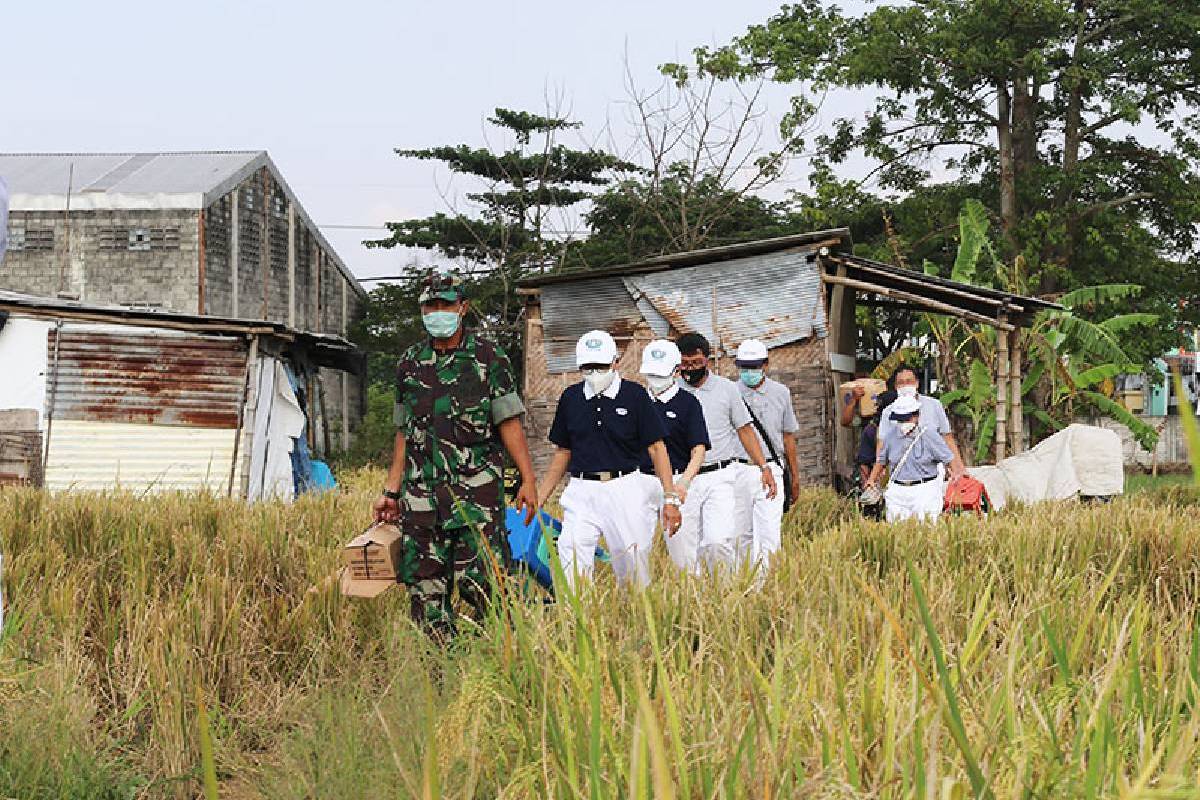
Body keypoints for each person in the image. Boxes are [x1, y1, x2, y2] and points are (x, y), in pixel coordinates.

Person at [373, 272, 539, 640]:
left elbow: (508, 422)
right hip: (421, 501)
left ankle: (498, 662)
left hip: (475, 498)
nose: (438, 312)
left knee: (483, 585)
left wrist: (528, 479)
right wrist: (391, 491)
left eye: (446, 304)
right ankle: (440, 677)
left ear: (462, 308)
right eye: (430, 306)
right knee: (425, 592)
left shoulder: (488, 358)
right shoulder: (409, 363)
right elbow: (404, 432)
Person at [537, 330, 682, 589]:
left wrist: (669, 498)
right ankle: (579, 619)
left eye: (601, 366)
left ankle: (636, 618)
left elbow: (657, 449)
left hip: (624, 488)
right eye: (588, 367)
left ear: (616, 362)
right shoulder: (571, 398)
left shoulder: (635, 396)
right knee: (571, 556)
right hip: (582, 490)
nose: (595, 373)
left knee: (633, 566)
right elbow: (563, 452)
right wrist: (539, 499)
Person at [670, 332, 777, 575]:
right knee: (685, 549)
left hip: (719, 475)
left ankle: (725, 592)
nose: (690, 369)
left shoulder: (726, 389)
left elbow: (745, 430)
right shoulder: (671, 391)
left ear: (707, 359)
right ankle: (695, 599)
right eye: (685, 364)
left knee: (717, 541)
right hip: (682, 478)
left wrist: (764, 467)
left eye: (696, 363)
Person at [732, 338, 800, 575]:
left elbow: (788, 436)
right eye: (744, 366)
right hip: (738, 470)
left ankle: (767, 584)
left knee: (770, 532)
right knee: (740, 535)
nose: (748, 372)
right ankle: (742, 583)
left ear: (766, 365)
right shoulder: (730, 392)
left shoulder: (781, 393)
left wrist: (795, 475)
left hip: (772, 469)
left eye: (754, 366)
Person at [636, 340, 709, 554]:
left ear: (677, 371)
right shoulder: (636, 400)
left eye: (661, 374)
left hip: (677, 481)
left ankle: (690, 587)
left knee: (683, 554)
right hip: (640, 481)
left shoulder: (688, 403)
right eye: (651, 374)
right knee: (636, 550)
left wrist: (684, 483)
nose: (655, 380)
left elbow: (699, 449)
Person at [866, 394, 956, 521]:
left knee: (926, 526)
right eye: (900, 420)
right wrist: (872, 479)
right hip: (898, 491)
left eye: (906, 419)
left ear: (916, 416)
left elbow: (948, 458)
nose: (903, 423)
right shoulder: (891, 436)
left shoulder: (929, 435)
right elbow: (881, 461)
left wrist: (956, 476)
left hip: (924, 490)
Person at [876, 367, 966, 479]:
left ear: (917, 383)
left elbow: (947, 438)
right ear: (895, 387)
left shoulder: (934, 405)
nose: (905, 386)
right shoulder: (888, 412)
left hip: (932, 473)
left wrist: (959, 469)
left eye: (909, 381)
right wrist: (878, 474)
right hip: (900, 474)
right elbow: (882, 443)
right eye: (901, 383)